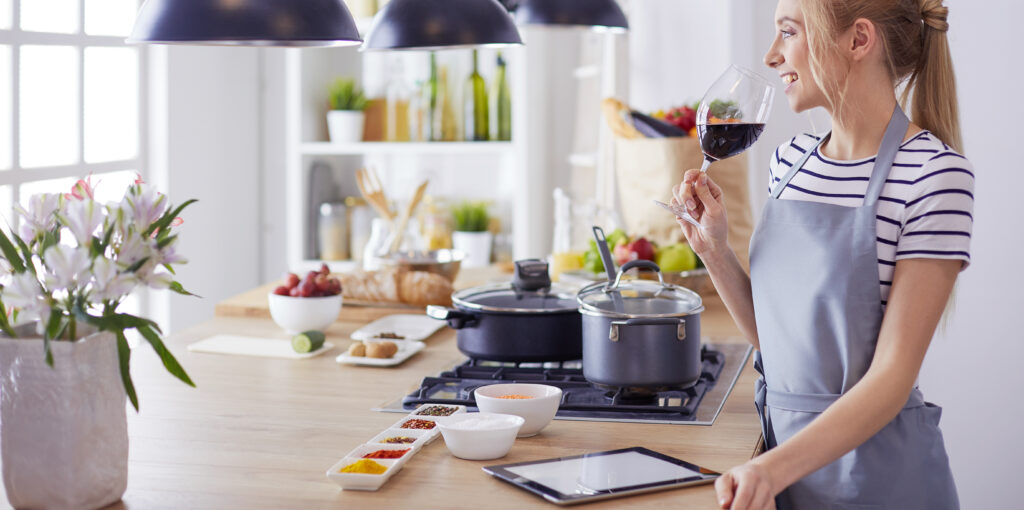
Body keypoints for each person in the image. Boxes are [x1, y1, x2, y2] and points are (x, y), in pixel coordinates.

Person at [672, 0, 972, 508]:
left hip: (878, 483)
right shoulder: (789, 163)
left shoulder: (933, 175)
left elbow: (892, 378)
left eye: (788, 32)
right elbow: (780, 343)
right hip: (785, 474)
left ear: (858, 40)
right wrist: (715, 251)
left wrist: (768, 469)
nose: (771, 55)